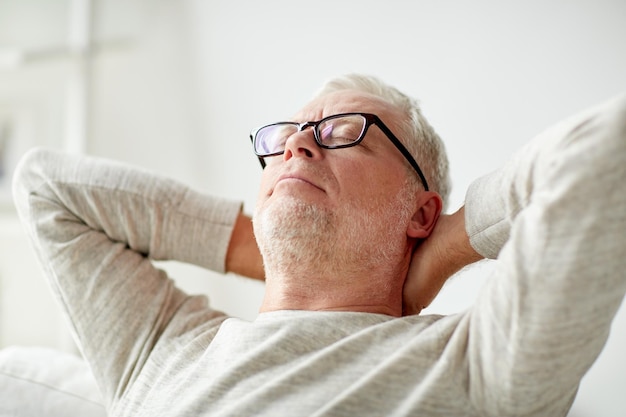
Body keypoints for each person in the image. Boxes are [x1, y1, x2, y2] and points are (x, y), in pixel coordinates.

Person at [12, 73, 626, 417]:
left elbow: (605, 153)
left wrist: (448, 247)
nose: (297, 147)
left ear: (420, 212)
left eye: (342, 133)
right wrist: (274, 248)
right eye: (287, 135)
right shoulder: (162, 350)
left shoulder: (471, 360)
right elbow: (43, 186)